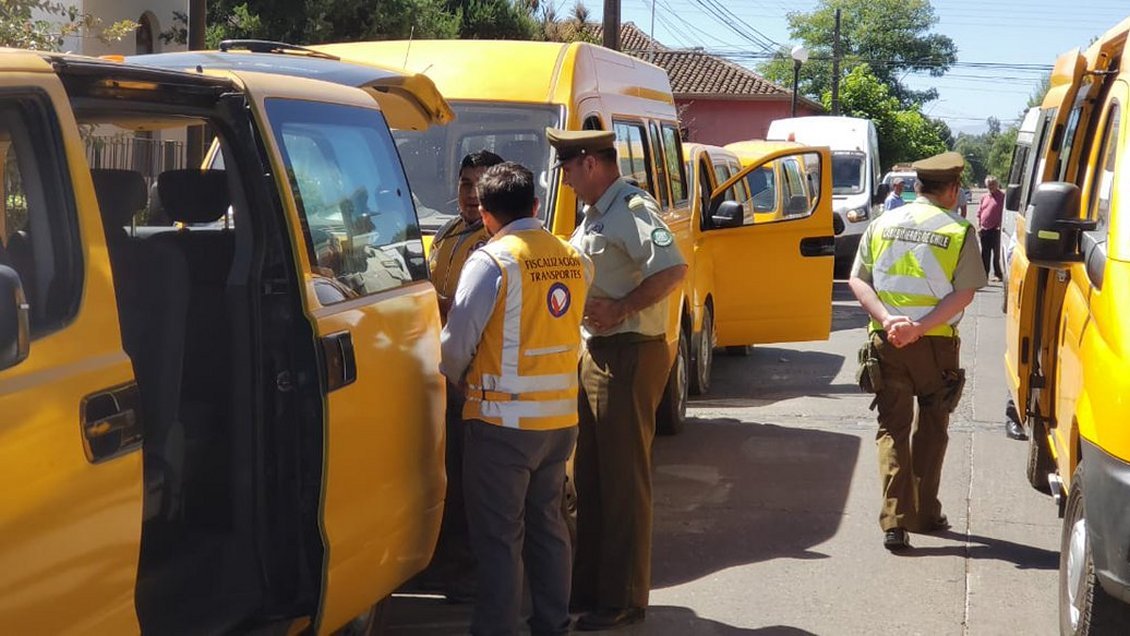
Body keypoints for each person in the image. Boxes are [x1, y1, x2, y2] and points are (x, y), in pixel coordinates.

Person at [440, 162, 590, 636]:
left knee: (499, 539)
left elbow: (454, 345)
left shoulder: (491, 261)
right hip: (560, 421)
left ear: (485, 214)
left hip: (501, 423)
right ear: (535, 205)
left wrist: (458, 379)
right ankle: (553, 624)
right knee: (548, 528)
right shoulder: (573, 256)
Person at [546, 128, 688, 630]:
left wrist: (623, 308)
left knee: (623, 481)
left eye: (566, 166)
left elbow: (672, 269)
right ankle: (590, 588)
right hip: (600, 351)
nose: (562, 178)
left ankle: (624, 597)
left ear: (589, 162)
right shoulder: (596, 214)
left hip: (629, 352)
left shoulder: (630, 208)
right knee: (592, 477)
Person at [848, 151, 987, 551]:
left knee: (892, 428)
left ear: (916, 186)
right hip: (936, 347)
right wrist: (920, 327)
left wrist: (890, 321)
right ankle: (925, 514)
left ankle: (894, 521)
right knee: (932, 426)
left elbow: (858, 281)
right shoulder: (959, 230)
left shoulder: (882, 223)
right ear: (954, 188)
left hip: (886, 343)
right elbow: (964, 293)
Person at [423, 149, 504, 602]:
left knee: (474, 479)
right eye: (463, 184)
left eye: (478, 185)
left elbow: (473, 312)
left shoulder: (496, 242)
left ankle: (471, 569)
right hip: (439, 370)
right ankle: (446, 558)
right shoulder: (448, 234)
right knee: (445, 470)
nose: (469, 195)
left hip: (473, 375)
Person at [977, 176, 1005, 281]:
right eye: (989, 185)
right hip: (984, 229)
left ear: (997, 185)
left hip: (996, 229)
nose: (990, 187)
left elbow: (1005, 213)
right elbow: (979, 213)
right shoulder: (984, 197)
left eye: (992, 184)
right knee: (984, 254)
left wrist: (1001, 225)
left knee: (996, 254)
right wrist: (979, 226)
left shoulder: (1002, 197)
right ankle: (984, 275)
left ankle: (998, 274)